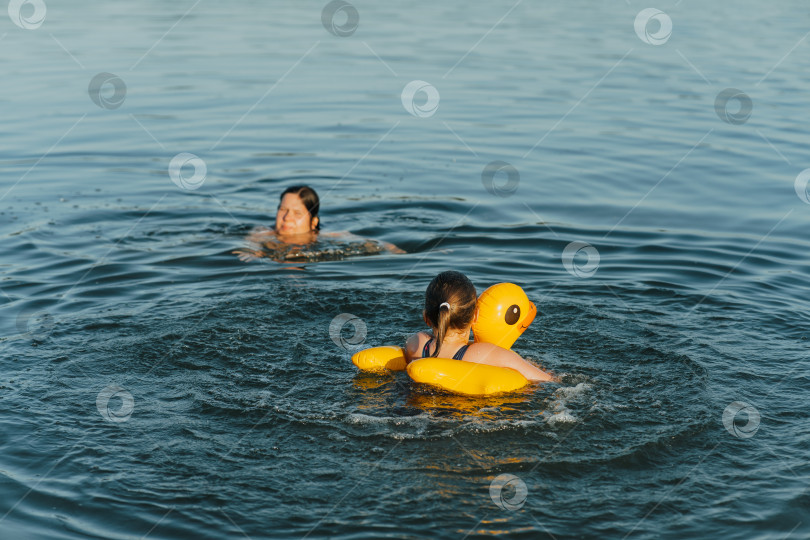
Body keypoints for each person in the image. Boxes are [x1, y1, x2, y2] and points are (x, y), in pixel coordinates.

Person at [404, 270, 554, 382]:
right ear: (475, 316)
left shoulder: (416, 343)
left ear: (426, 318)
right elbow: (546, 381)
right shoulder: (484, 353)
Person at [233, 185, 402, 262]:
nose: (287, 218)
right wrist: (252, 251)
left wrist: (395, 251)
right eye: (283, 210)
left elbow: (376, 244)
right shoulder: (264, 232)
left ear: (313, 222)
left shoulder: (327, 236)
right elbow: (252, 241)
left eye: (297, 213)